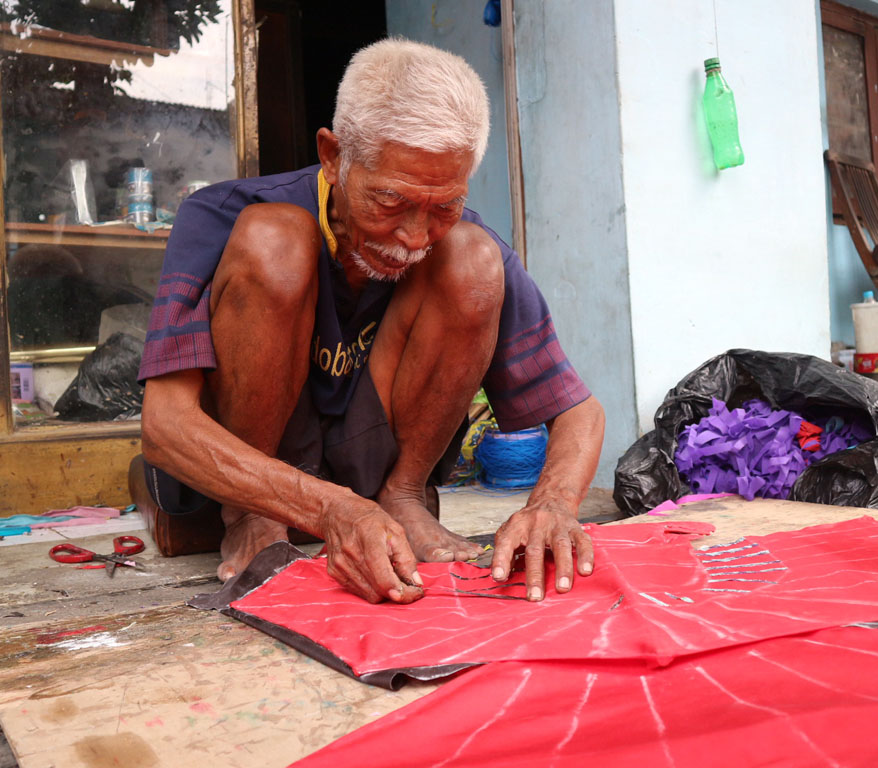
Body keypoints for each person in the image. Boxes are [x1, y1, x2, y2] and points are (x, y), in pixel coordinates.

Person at [131, 38, 604, 604]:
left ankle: (401, 495)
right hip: (251, 471)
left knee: (471, 256)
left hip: (369, 466)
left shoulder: (459, 244)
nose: (413, 238)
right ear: (333, 156)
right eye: (389, 201)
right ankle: (254, 512)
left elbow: (579, 411)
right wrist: (330, 507)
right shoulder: (219, 215)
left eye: (442, 206)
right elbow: (165, 426)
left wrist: (551, 504)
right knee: (275, 240)